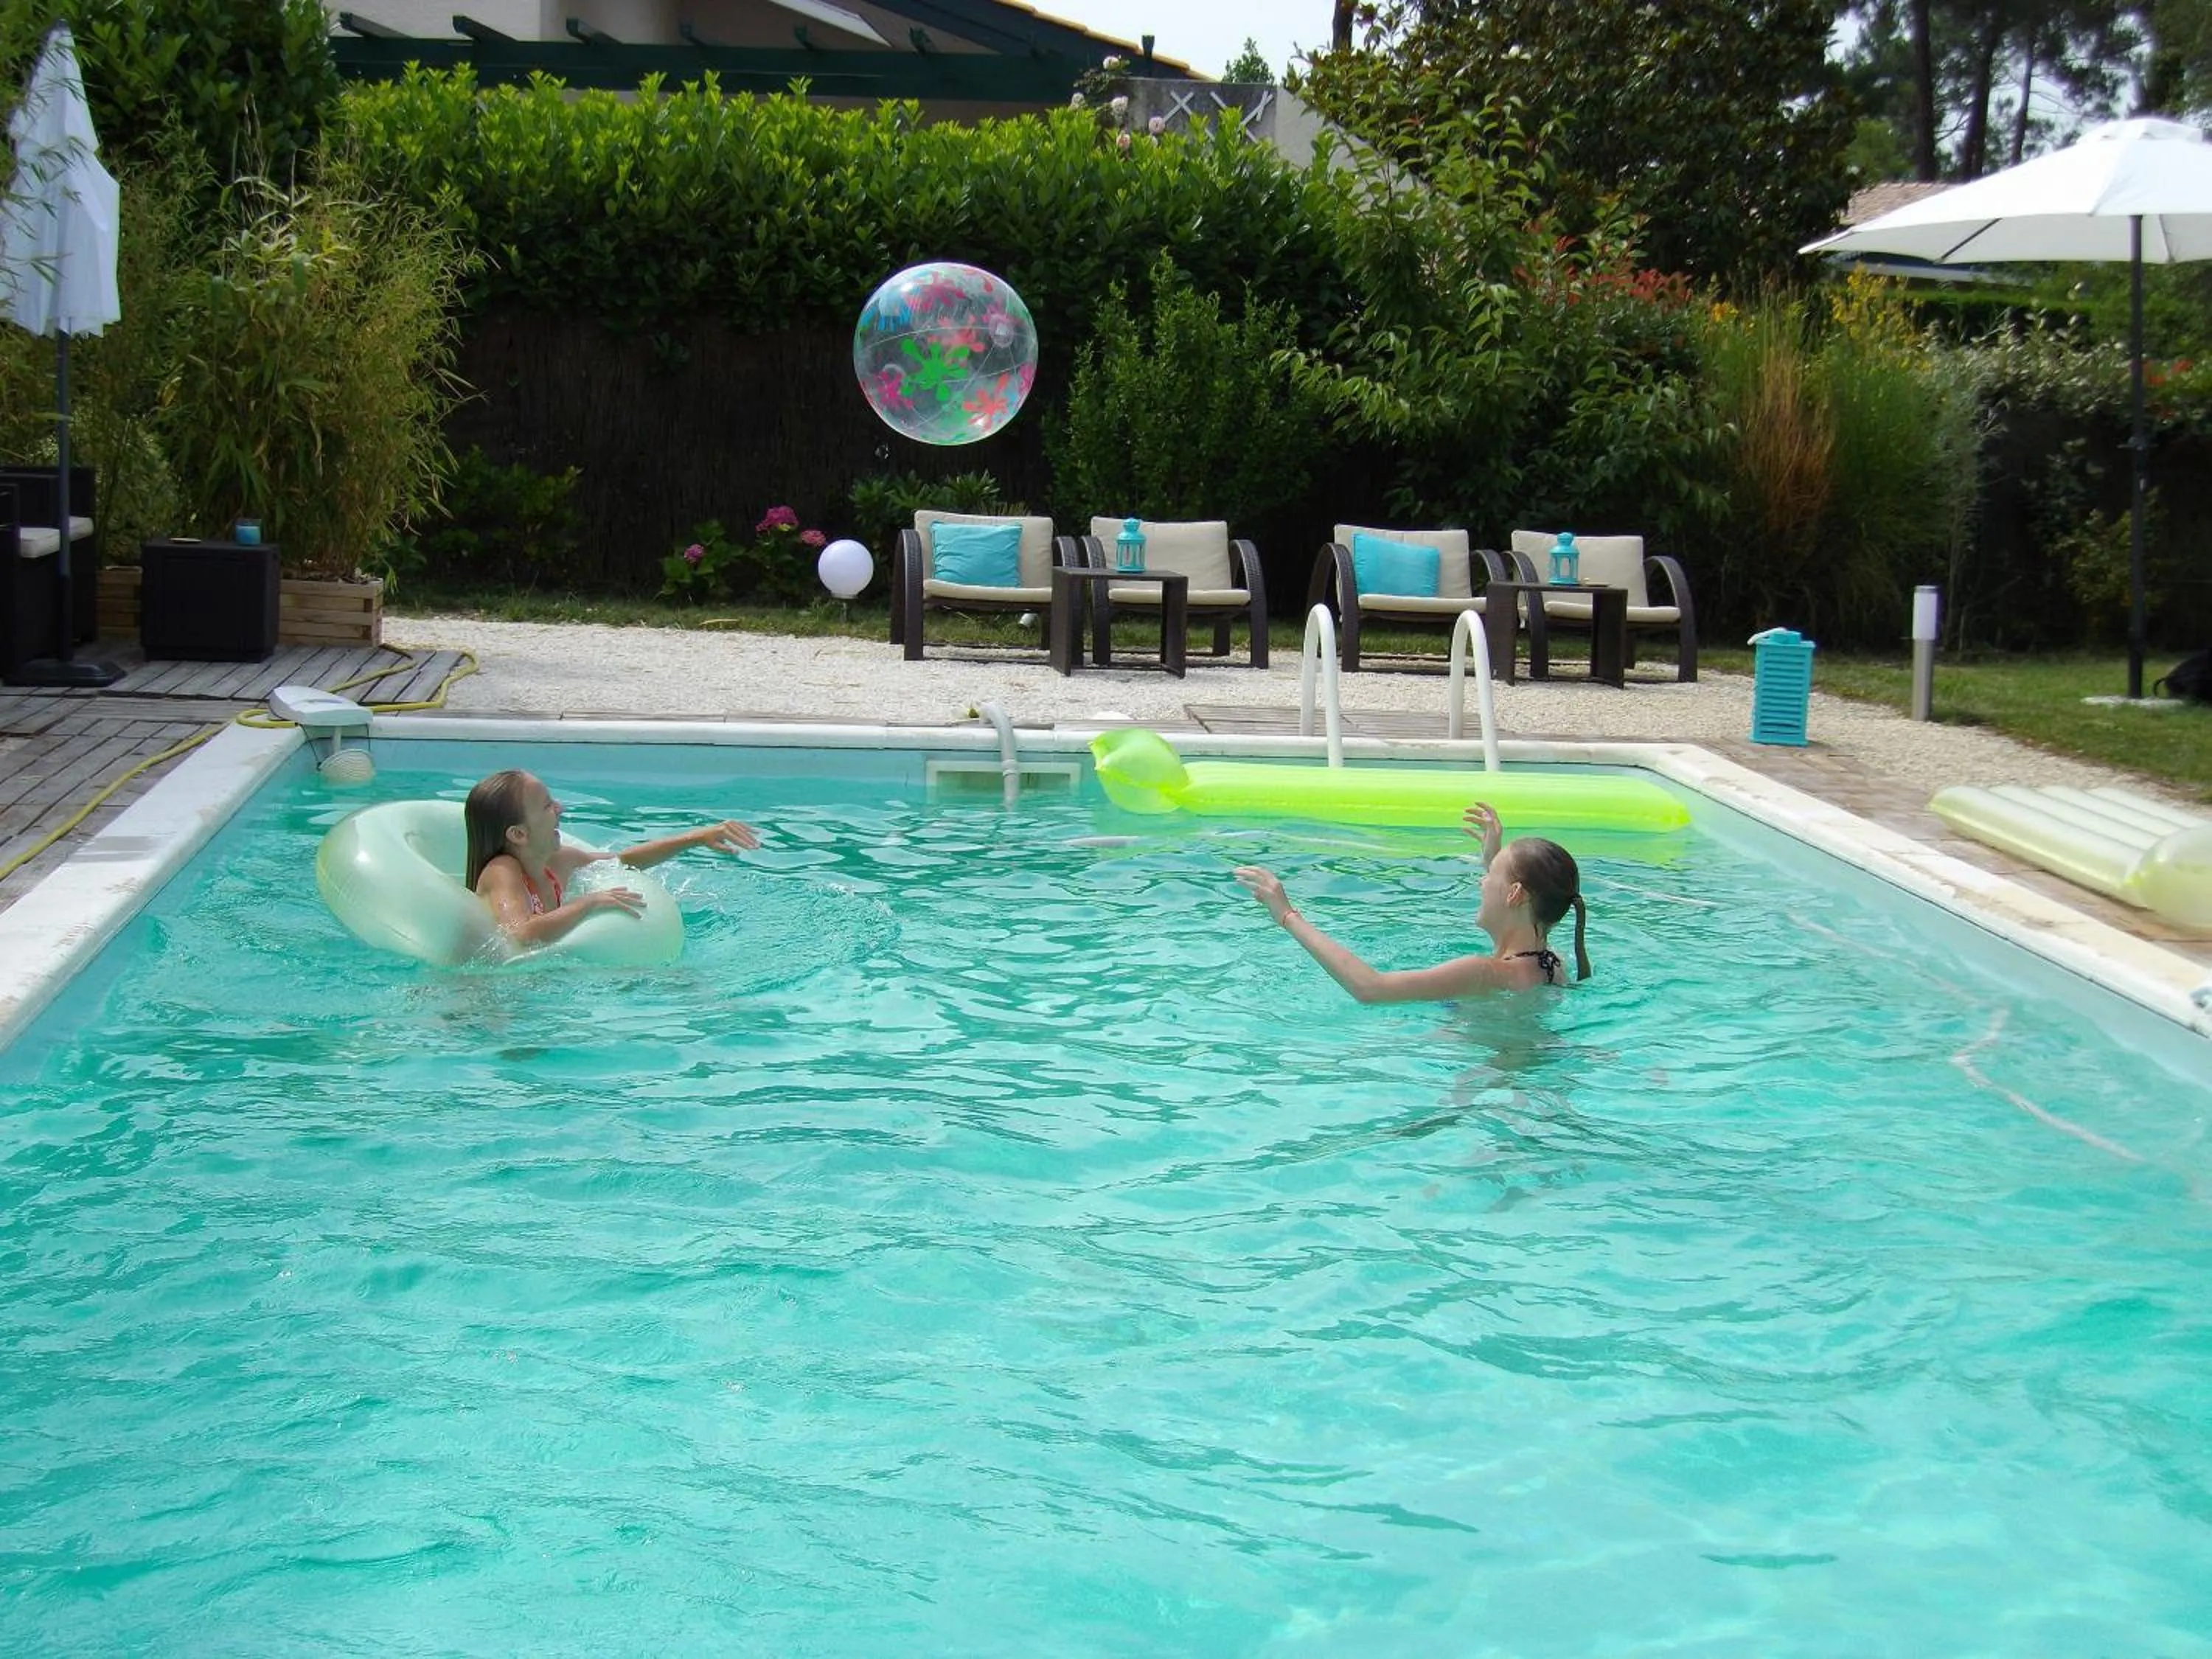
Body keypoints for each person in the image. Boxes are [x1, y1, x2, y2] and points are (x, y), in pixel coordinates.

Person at [1234, 803, 1588, 1003]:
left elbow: (1371, 989)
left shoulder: (1481, 972)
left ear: (1514, 894)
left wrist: (1287, 915)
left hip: (1471, 1092)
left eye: (1489, 875)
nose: (1482, 882)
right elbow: (1522, 919)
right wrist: (1496, 861)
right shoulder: (1551, 964)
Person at [462, 768, 759, 947]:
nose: (561, 808)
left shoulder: (558, 863)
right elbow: (520, 933)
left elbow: (623, 861)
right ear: (519, 835)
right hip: (485, 989)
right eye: (547, 806)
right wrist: (587, 903)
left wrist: (696, 837)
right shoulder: (504, 871)